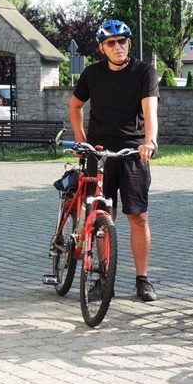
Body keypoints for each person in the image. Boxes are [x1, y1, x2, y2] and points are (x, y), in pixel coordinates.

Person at [69, 19, 160, 301]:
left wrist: (150, 141)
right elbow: (75, 105)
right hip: (99, 152)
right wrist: (81, 140)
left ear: (129, 44)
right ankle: (103, 275)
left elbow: (150, 110)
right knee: (102, 217)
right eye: (111, 43)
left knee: (138, 217)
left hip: (133, 152)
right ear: (102, 48)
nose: (118, 46)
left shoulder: (144, 72)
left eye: (122, 41)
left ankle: (142, 279)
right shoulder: (92, 74)